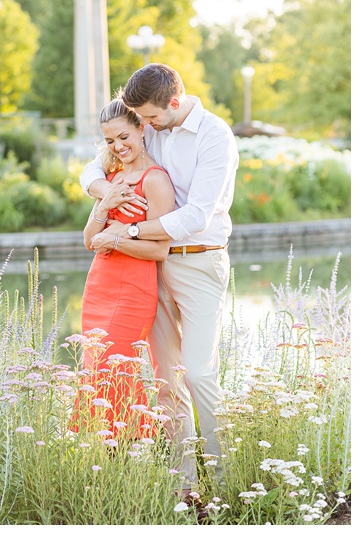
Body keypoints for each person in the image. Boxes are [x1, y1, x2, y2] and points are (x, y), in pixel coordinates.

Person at [79, 63, 239, 492]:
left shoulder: (214, 135)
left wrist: (125, 230)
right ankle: (184, 485)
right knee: (166, 380)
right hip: (152, 268)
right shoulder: (148, 125)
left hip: (200, 261)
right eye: (141, 120)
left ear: (173, 101)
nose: (144, 127)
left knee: (200, 373)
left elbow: (196, 216)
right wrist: (107, 194)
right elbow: (93, 170)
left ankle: (225, 485)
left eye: (149, 118)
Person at [76, 98, 173, 435]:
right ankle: (101, 454)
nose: (118, 146)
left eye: (123, 137)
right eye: (109, 141)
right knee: (95, 370)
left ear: (141, 129)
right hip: (99, 287)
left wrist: (116, 240)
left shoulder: (155, 180)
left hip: (132, 290)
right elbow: (89, 239)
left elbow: (160, 249)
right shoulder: (112, 178)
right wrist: (105, 205)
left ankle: (136, 448)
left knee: (114, 369)